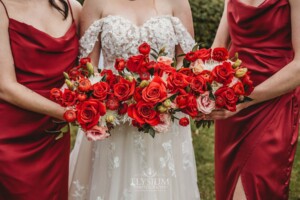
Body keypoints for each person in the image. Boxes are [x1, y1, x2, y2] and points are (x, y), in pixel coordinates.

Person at [69, 0, 200, 199]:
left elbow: (186, 59)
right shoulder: (95, 3)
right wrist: (105, 98)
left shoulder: (177, 2)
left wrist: (168, 90)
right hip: (114, 117)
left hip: (165, 113)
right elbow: (88, 67)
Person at [210, 0, 300, 199]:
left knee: (255, 186)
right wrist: (207, 88)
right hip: (232, 100)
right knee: (229, 187)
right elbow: (218, 48)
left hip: (273, 98)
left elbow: (299, 67)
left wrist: (243, 100)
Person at [0, 0, 81, 199]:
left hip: (53, 135)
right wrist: (66, 113)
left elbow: (87, 67)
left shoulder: (73, 8)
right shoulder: (2, 8)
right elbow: (4, 87)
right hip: (12, 137)